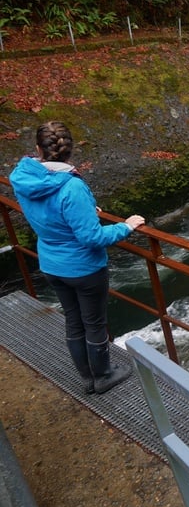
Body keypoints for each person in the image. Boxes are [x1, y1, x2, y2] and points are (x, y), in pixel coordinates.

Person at [9, 121, 145, 394]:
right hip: (83, 267)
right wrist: (126, 226)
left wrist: (83, 212)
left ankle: (86, 378)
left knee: (73, 320)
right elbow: (92, 238)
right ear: (70, 151)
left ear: (37, 149)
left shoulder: (23, 178)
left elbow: (47, 213)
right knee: (93, 323)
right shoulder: (71, 186)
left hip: (50, 263)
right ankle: (103, 377)